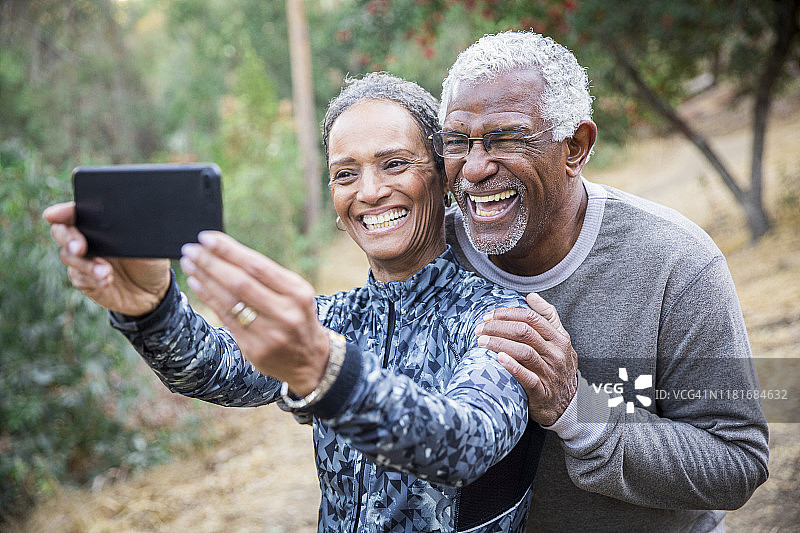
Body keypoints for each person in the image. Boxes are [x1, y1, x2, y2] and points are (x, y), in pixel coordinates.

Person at [44, 73, 546, 532]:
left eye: (394, 164)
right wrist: (151, 309)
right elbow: (217, 370)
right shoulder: (331, 317)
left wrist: (326, 372)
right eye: (345, 174)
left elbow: (463, 444)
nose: (370, 191)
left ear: (441, 175)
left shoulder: (502, 318)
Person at [433, 31, 769, 532]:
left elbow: (737, 464)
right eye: (458, 143)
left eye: (505, 139)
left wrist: (577, 409)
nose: (475, 168)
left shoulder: (675, 263)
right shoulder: (433, 255)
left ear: (576, 146)